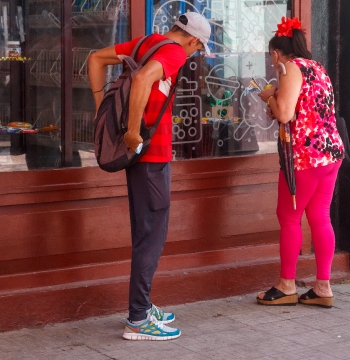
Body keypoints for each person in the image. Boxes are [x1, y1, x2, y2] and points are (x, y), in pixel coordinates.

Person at [88, 12, 211, 340]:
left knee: (145, 230)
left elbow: (95, 59)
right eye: (198, 49)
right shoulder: (173, 51)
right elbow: (142, 80)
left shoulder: (147, 42)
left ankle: (141, 306)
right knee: (152, 234)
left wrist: (104, 107)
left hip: (141, 156)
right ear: (194, 41)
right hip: (150, 154)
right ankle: (139, 318)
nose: (194, 54)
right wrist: (129, 130)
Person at [256, 17, 344, 308]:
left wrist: (269, 97)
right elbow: (301, 111)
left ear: (276, 54)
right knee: (320, 215)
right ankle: (322, 287)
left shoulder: (291, 69)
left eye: (271, 57)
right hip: (330, 153)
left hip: (305, 158)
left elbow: (283, 114)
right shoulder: (318, 68)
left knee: (290, 217)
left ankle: (287, 284)